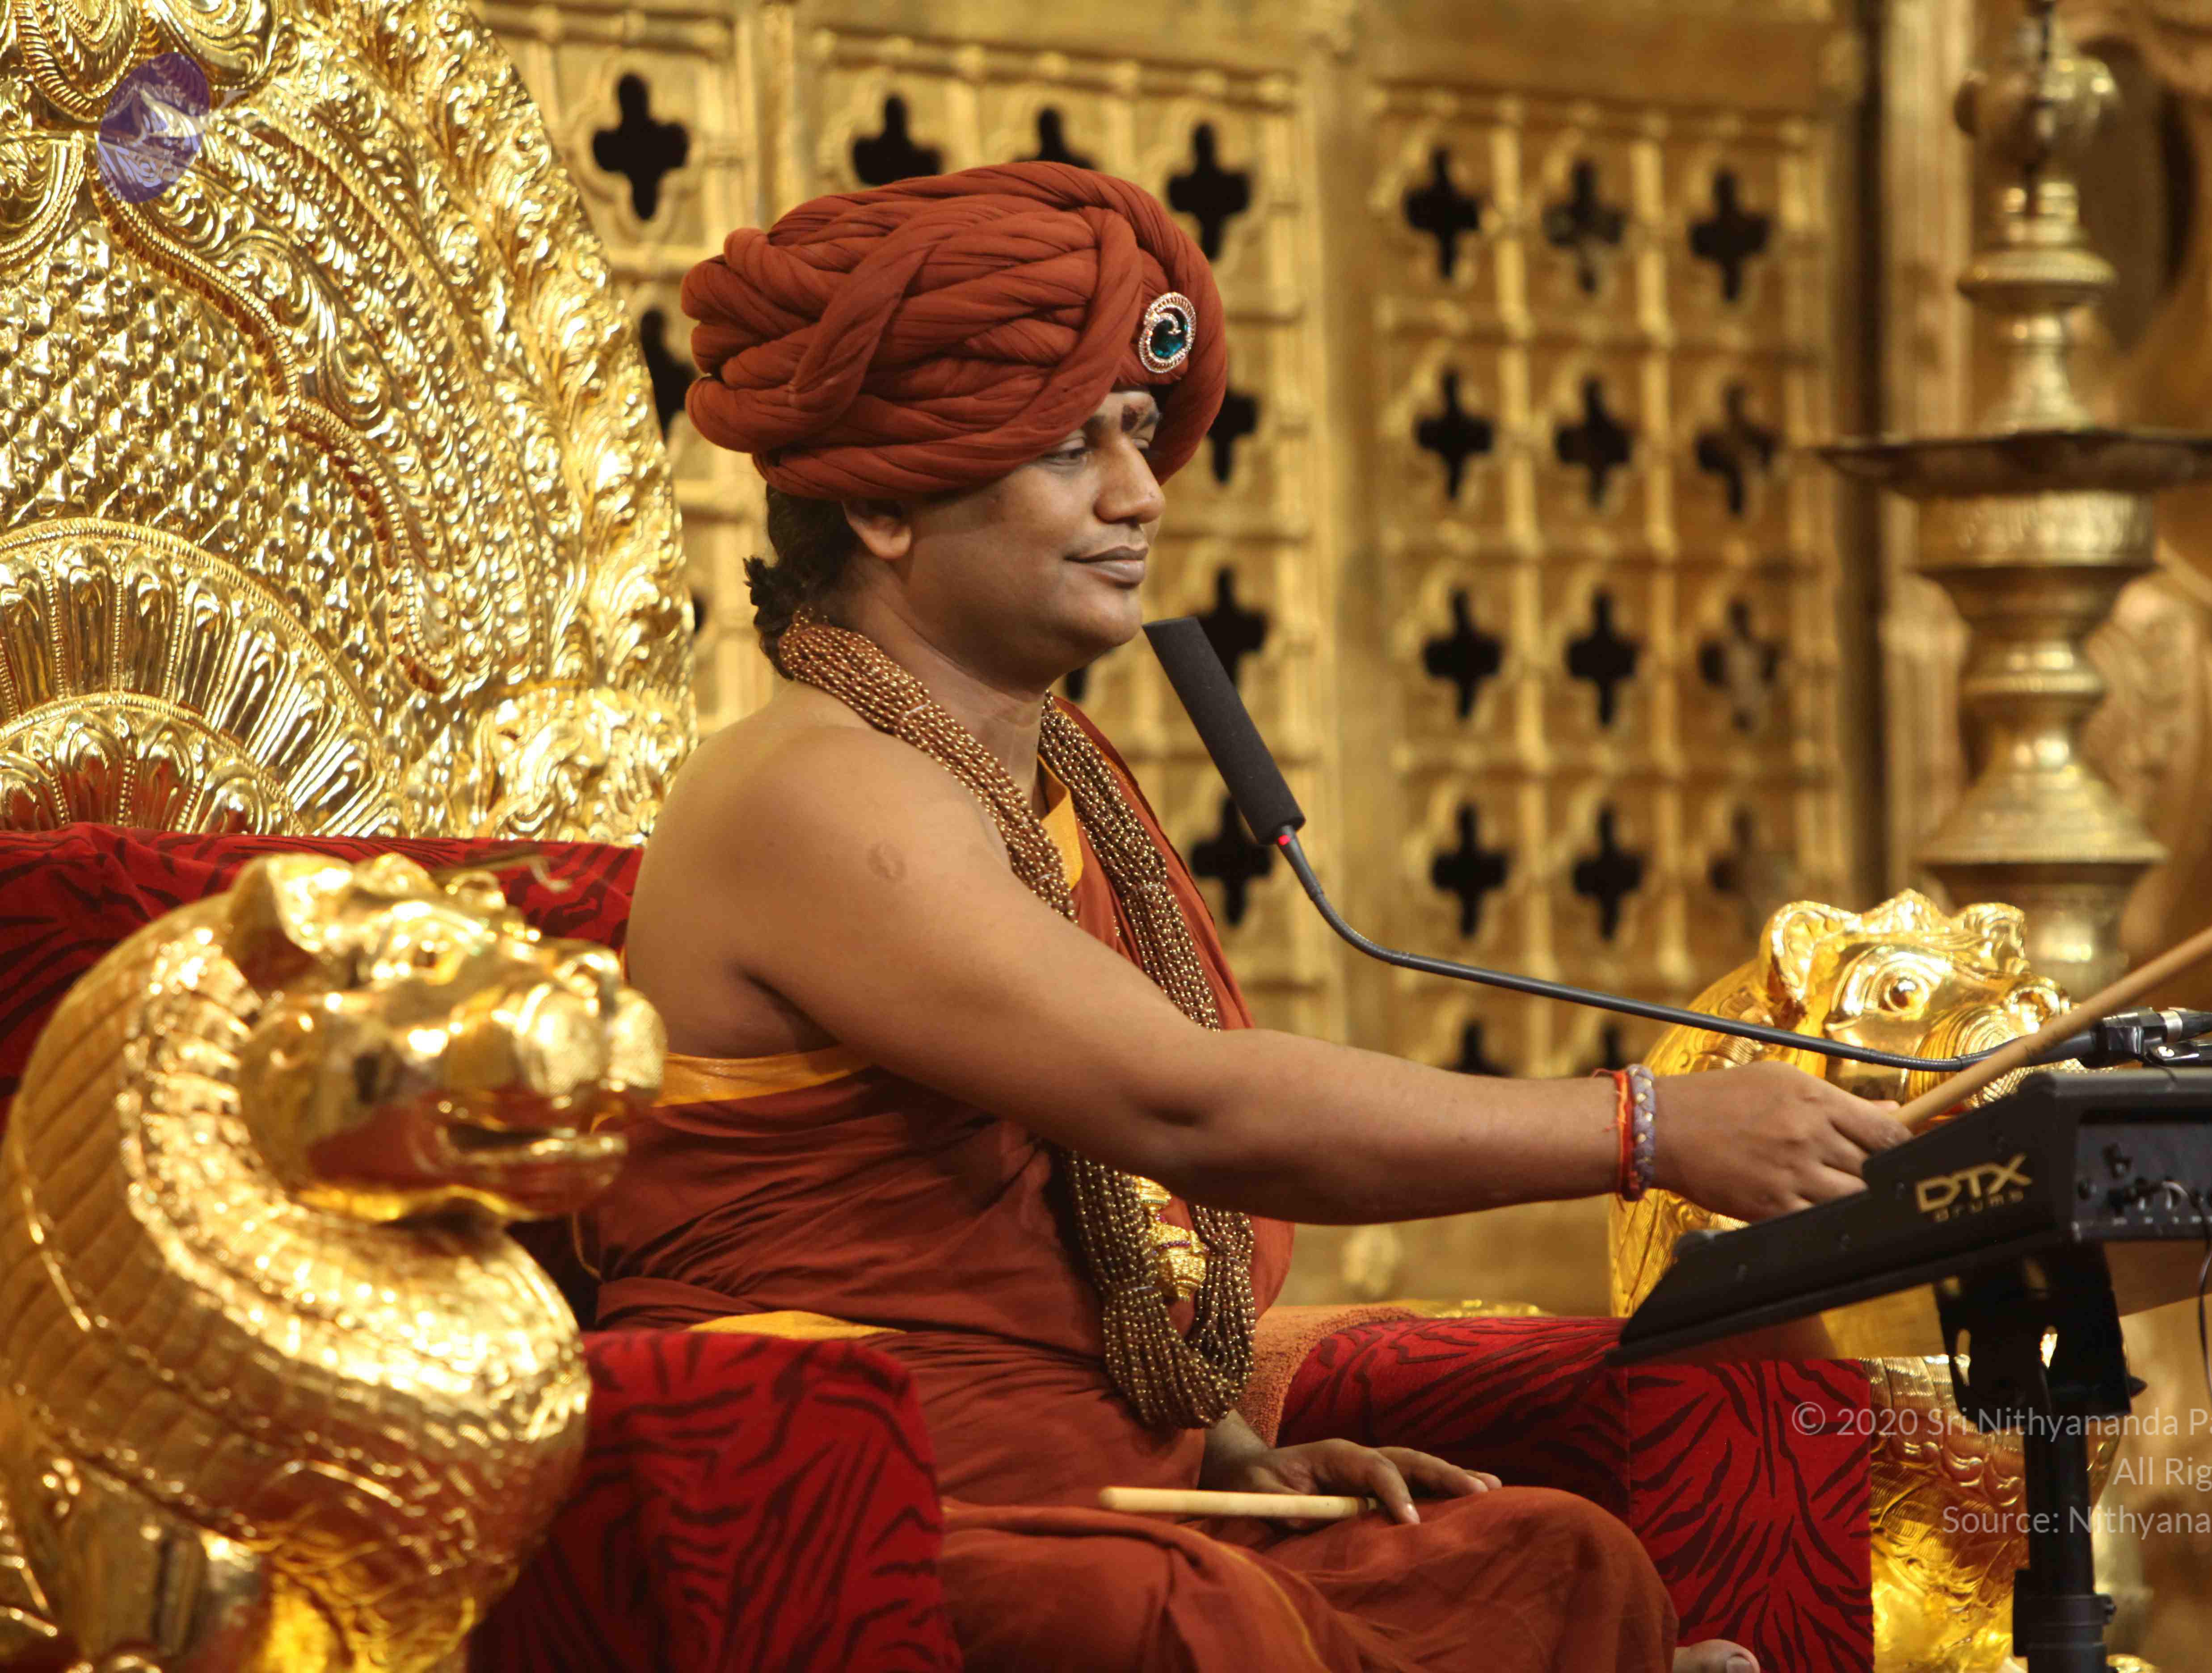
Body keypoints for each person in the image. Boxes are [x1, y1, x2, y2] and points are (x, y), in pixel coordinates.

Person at [593, 161, 1906, 1673]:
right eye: (1070, 450)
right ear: (885, 505)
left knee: (1550, 1558)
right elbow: (1182, 1107)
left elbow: (1068, 1223)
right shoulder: (810, 790)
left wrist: (1224, 1449)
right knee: (1182, 1618)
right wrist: (1647, 1129)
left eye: (1136, 432)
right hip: (865, 1517)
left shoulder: (1052, 772)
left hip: (1109, 1496)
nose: (1140, 495)